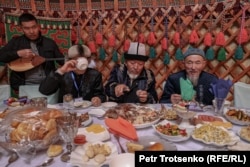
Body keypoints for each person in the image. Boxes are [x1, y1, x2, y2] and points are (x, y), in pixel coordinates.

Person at [0, 13, 65, 93]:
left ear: (38, 26)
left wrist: (73, 60)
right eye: (27, 28)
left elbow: (62, 60)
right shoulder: (16, 42)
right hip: (25, 86)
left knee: (50, 106)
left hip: (48, 85)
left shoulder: (49, 43)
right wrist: (18, 53)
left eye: (34, 27)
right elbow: (1, 56)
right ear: (21, 28)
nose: (31, 31)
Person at [39, 44, 106, 106]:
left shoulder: (94, 74)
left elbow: (101, 95)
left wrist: (98, 98)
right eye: (76, 59)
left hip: (87, 109)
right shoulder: (63, 73)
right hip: (66, 110)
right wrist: (61, 71)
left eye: (85, 59)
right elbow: (44, 90)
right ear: (69, 60)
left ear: (88, 60)